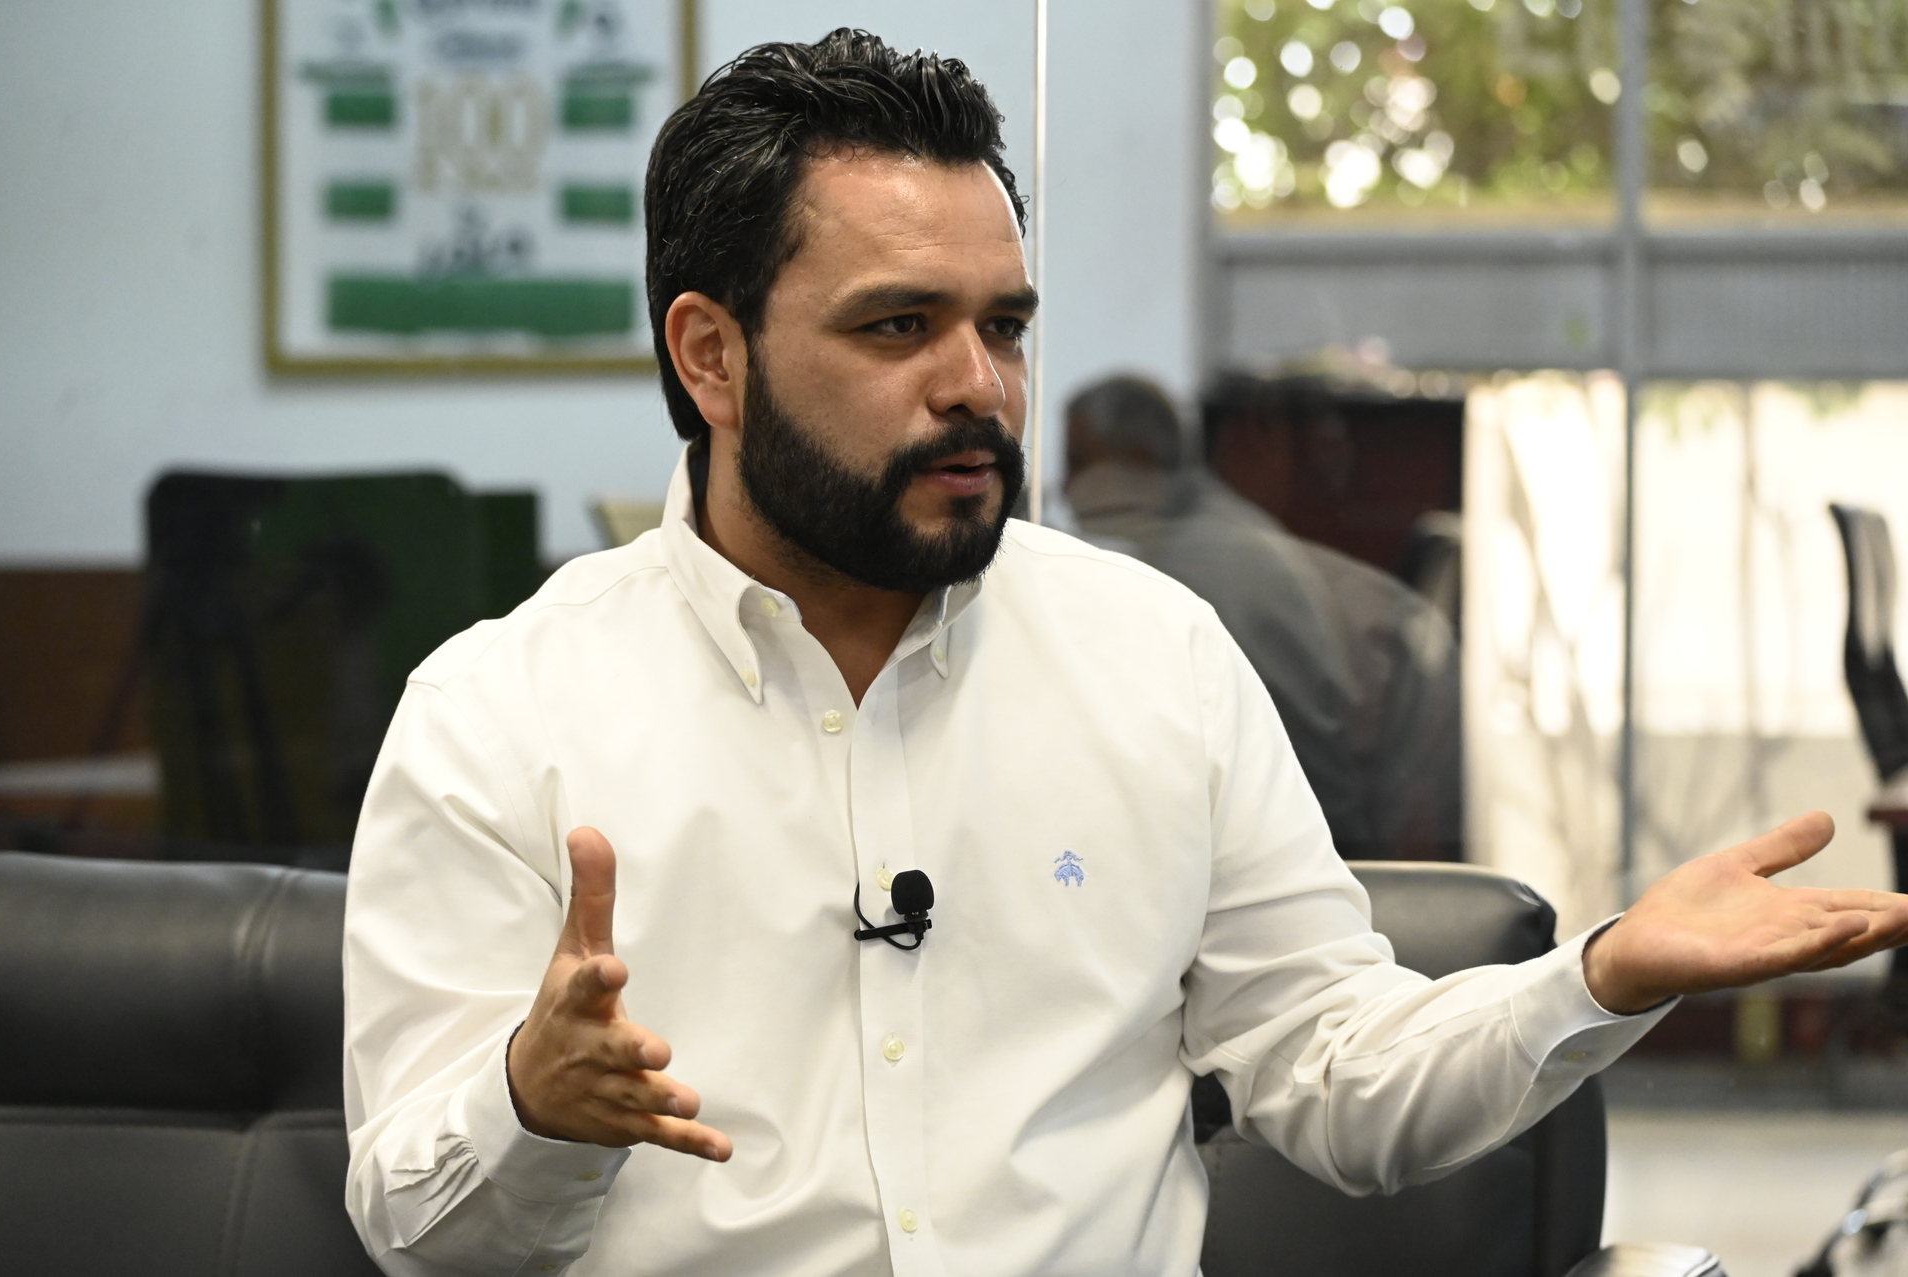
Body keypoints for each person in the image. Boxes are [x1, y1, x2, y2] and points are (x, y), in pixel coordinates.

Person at [342, 30, 1908, 1277]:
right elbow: (415, 1229)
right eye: (898, 327)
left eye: (1005, 325)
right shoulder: (504, 714)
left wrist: (1600, 977)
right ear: (711, 355)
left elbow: (1339, 1071)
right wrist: (536, 1105)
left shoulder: (1154, 659)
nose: (979, 385)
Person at [1064, 374, 1460, 861]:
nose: (1064, 486)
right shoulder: (1207, 538)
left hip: (1293, 847)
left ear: (1139, 461)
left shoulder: (1203, 565)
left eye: (1077, 461)